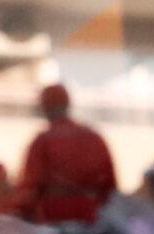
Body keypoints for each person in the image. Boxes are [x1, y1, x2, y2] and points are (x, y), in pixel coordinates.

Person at [14, 84, 117, 225]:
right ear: (68, 104)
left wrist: (20, 214)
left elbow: (30, 188)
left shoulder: (43, 141)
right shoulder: (94, 137)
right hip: (92, 218)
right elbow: (110, 186)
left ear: (44, 107)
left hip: (54, 217)